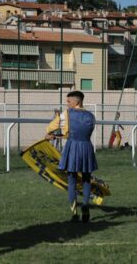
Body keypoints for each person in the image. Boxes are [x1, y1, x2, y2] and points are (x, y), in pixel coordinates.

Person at [45, 91, 98, 223]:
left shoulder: (66, 114)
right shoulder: (91, 116)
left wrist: (51, 134)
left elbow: (51, 127)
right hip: (86, 147)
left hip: (73, 148)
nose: (67, 104)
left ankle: (74, 214)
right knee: (86, 179)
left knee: (72, 181)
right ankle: (85, 207)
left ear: (77, 102)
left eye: (69, 101)